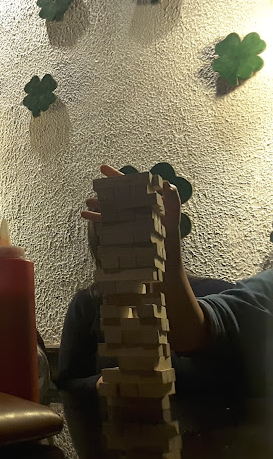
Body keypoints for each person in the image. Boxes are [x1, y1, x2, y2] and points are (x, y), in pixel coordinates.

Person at [55, 165, 273, 397]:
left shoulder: (216, 293)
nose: (130, 239)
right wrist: (99, 383)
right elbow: (67, 382)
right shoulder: (88, 305)